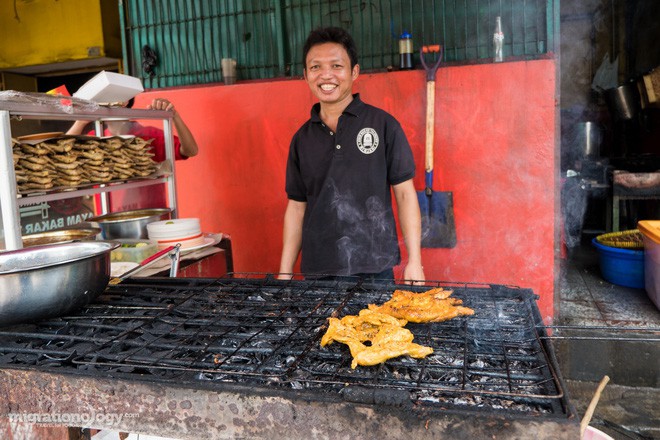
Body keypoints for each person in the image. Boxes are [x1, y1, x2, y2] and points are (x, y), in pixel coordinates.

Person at [278, 27, 425, 283]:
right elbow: (297, 207)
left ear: (354, 72)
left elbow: (404, 193)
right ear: (305, 75)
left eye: (336, 65)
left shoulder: (384, 125)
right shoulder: (302, 139)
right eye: (315, 67)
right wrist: (285, 271)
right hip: (318, 272)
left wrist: (416, 261)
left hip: (375, 269)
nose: (326, 75)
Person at [66, 97, 199, 211]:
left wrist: (174, 115)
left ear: (124, 101)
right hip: (109, 220)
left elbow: (190, 150)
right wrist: (81, 122)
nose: (100, 105)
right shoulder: (95, 140)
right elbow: (63, 155)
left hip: (150, 218)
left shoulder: (150, 136)